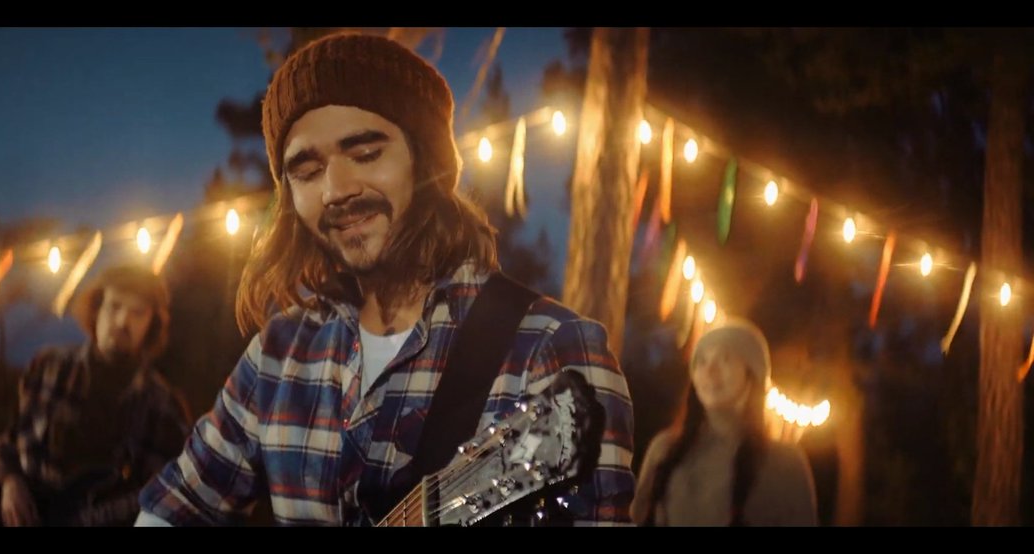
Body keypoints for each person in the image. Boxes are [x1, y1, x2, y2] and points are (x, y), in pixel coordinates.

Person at [136, 32, 635, 527]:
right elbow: (174, 506)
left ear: (428, 162)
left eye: (366, 154)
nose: (336, 190)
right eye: (307, 171)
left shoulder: (551, 348)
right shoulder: (279, 353)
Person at [0, 264, 192, 526]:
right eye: (114, 306)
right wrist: (10, 482)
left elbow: (164, 496)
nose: (123, 321)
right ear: (97, 308)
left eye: (138, 312)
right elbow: (8, 441)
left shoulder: (162, 406)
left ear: (152, 324)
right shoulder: (48, 367)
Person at [631, 319, 818, 526]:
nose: (710, 371)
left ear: (752, 375)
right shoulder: (666, 449)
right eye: (702, 361)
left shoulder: (785, 463)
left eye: (725, 359)